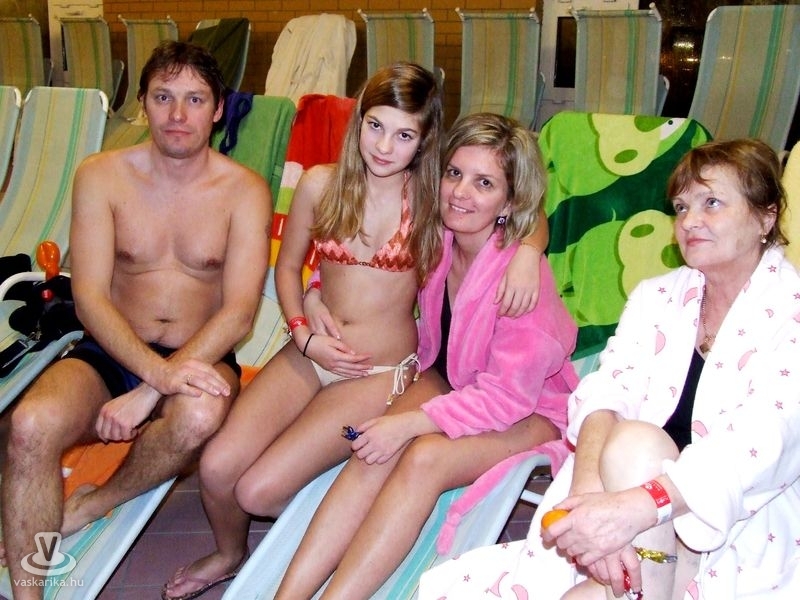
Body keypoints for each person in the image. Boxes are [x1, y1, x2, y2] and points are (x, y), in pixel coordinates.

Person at [161, 66, 548, 600]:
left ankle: (343, 493)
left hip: (378, 370)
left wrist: (529, 251)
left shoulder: (435, 197)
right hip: (310, 351)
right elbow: (290, 267)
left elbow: (517, 207)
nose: (385, 147)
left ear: (424, 140)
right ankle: (230, 553)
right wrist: (304, 325)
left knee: (258, 491)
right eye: (375, 126)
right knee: (218, 465)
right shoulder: (321, 184)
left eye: (405, 134)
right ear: (358, 121)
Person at [419, 138, 800, 600]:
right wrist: (589, 497)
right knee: (632, 449)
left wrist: (635, 509)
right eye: (681, 208)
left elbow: (759, 442)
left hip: (728, 527)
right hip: (619, 494)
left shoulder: (791, 316)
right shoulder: (658, 296)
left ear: (766, 216)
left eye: (711, 203)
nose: (689, 221)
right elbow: (605, 392)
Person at [0, 40, 271, 600]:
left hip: (200, 351)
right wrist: (154, 373)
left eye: (195, 99)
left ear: (218, 109)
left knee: (198, 417)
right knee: (30, 426)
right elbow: (89, 297)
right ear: (142, 103)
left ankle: (93, 502)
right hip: (110, 346)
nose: (178, 115)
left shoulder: (244, 191)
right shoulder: (101, 176)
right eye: (163, 97)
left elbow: (239, 311)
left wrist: (155, 388)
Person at [274, 112, 579, 600]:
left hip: (528, 408)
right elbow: (354, 260)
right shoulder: (439, 237)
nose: (460, 192)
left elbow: (506, 399)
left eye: (484, 183)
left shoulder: (522, 285)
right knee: (373, 446)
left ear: (509, 201)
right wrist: (313, 292)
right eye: (454, 173)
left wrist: (410, 424)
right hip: (452, 376)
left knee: (422, 457)